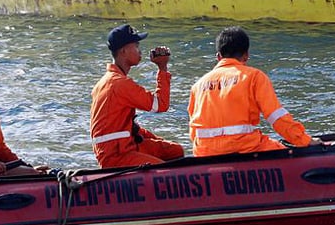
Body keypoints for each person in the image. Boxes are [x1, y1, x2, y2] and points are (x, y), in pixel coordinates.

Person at [188, 26, 315, 157]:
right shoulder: (254, 77)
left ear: (218, 56)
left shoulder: (197, 86)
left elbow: (193, 132)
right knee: (284, 151)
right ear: (246, 55)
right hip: (246, 148)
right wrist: (305, 141)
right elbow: (277, 118)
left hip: (205, 154)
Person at [89, 24, 186, 168]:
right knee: (164, 171)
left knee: (175, 151)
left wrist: (156, 140)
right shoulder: (119, 83)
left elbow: (125, 126)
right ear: (123, 51)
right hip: (116, 155)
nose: (140, 51)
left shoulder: (108, 81)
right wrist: (162, 68)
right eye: (136, 46)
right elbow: (160, 105)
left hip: (125, 146)